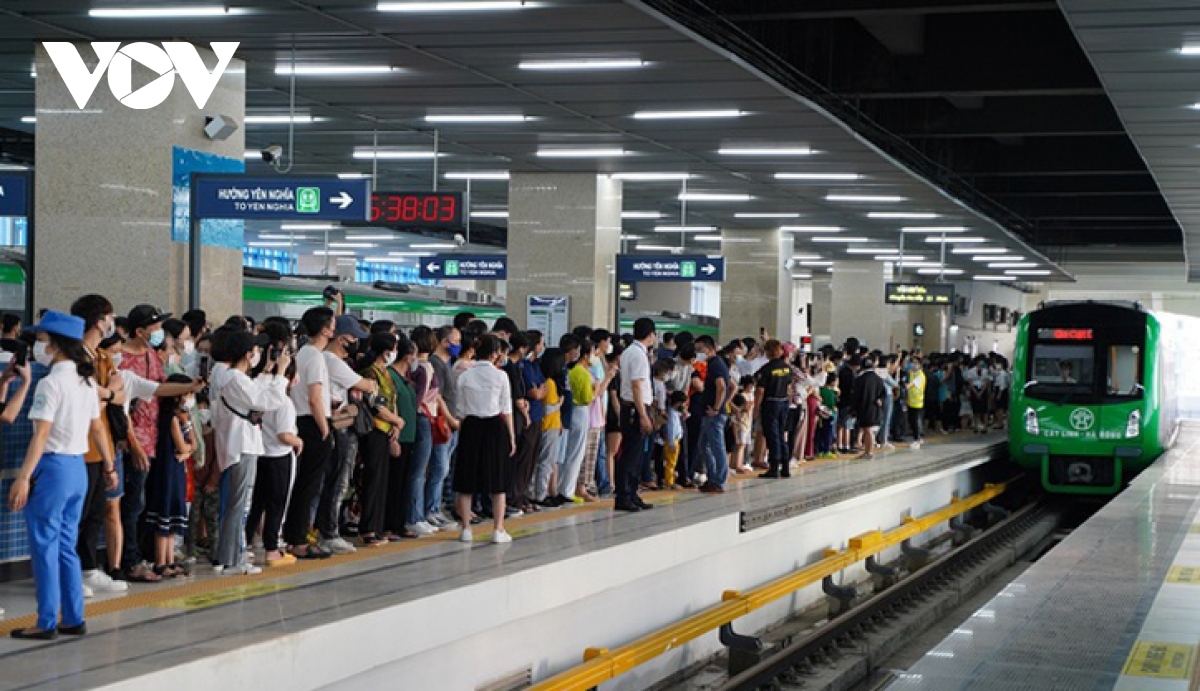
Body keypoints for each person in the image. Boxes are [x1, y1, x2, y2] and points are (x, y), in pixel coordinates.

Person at [7, 311, 112, 640]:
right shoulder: (87, 381)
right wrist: (109, 465)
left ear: (55, 344)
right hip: (78, 470)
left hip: (52, 470)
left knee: (43, 547)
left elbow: (40, 436)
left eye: (41, 340)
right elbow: (97, 428)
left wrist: (23, 478)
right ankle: (73, 616)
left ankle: (46, 620)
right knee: (67, 547)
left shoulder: (50, 383)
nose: (39, 346)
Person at [212, 329, 291, 575]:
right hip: (242, 446)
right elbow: (266, 401)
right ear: (248, 354)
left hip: (239, 444)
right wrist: (280, 374)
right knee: (240, 504)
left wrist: (268, 372)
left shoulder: (234, 378)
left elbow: (257, 392)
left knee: (238, 504)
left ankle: (228, 556)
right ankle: (233, 559)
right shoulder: (235, 378)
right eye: (256, 351)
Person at [117, 304, 170, 583]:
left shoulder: (151, 354)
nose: (160, 332)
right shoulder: (121, 361)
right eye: (156, 327)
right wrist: (133, 443)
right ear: (139, 331)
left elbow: (162, 386)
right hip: (131, 442)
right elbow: (120, 408)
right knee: (132, 504)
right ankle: (130, 561)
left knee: (144, 501)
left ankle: (142, 555)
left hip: (153, 440)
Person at [318, 315, 375, 553]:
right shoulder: (332, 361)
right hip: (340, 427)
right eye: (352, 337)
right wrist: (369, 384)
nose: (355, 342)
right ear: (342, 338)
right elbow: (366, 385)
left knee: (335, 480)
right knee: (339, 480)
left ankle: (327, 529)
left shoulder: (327, 359)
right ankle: (329, 532)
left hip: (336, 424)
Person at [453, 335, 516, 544]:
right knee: (498, 480)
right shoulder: (501, 377)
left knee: (467, 479)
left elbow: (460, 411)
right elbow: (506, 410)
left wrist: (463, 433)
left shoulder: (465, 377)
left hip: (470, 426)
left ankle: (466, 529)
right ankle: (498, 529)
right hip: (494, 427)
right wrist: (512, 437)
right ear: (493, 353)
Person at [285, 307, 336, 560]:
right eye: (332, 323)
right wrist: (325, 429)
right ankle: (298, 540)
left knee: (302, 484)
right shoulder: (315, 356)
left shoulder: (302, 353)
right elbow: (315, 398)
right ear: (325, 329)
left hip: (299, 421)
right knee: (309, 485)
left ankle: (294, 535)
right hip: (314, 423)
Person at [357, 333, 407, 546]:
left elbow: (392, 400)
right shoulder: (370, 373)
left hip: (386, 430)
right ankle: (368, 529)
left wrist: (395, 425)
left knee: (382, 481)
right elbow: (375, 404)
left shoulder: (385, 372)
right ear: (386, 351)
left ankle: (377, 527)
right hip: (373, 431)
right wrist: (397, 420)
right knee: (373, 479)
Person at [144, 373, 194, 578]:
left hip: (173, 471)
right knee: (164, 516)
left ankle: (169, 560)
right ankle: (161, 561)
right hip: (169, 472)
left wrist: (188, 449)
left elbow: (192, 447)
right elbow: (185, 445)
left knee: (171, 517)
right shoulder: (172, 419)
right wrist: (188, 445)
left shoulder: (176, 417)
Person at [615, 318, 656, 512]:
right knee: (631, 455)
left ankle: (631, 493)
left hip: (631, 406)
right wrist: (643, 415)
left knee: (636, 454)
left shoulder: (630, 352)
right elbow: (636, 385)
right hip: (635, 408)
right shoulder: (638, 355)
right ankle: (624, 495)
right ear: (651, 335)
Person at [426, 326, 461, 527]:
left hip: (450, 424)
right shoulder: (436, 364)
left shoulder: (446, 363)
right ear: (445, 342)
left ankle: (435, 508)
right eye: (456, 340)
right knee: (439, 467)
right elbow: (437, 396)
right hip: (442, 423)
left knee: (443, 468)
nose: (458, 345)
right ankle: (431, 509)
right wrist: (450, 418)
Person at [696, 336, 731, 494]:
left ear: (709, 349)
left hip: (714, 414)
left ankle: (719, 480)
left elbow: (722, 387)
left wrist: (717, 408)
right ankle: (712, 478)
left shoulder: (716, 364)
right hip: (711, 412)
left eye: (700, 349)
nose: (698, 353)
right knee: (705, 446)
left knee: (716, 447)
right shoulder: (715, 363)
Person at [754, 339, 792, 478]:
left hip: (770, 404)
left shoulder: (766, 369)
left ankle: (774, 467)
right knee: (782, 434)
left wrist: (756, 408)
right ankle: (786, 467)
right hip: (783, 402)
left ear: (768, 352)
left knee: (772, 435)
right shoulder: (787, 368)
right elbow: (788, 386)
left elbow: (760, 391)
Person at [532, 348, 565, 506]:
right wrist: (560, 403)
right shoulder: (550, 383)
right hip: (549, 425)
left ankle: (537, 491)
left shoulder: (545, 380)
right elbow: (548, 408)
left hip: (550, 425)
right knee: (546, 461)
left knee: (543, 461)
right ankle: (540, 494)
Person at [852, 357, 886, 460]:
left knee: (868, 430)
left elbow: (856, 396)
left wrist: (854, 409)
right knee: (868, 430)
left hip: (864, 408)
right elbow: (883, 393)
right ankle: (867, 451)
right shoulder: (878, 379)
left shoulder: (860, 379)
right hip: (874, 408)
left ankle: (869, 452)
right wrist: (879, 400)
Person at [662, 391, 686, 490]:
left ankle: (670, 479)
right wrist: (671, 442)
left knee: (673, 461)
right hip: (672, 441)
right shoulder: (671, 414)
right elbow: (671, 429)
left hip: (676, 440)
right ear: (678, 403)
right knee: (671, 462)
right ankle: (669, 482)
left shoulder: (675, 413)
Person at [906, 356, 927, 449]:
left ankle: (917, 439)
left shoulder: (920, 375)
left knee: (915, 421)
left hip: (917, 402)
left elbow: (910, 385)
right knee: (912, 421)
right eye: (912, 362)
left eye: (915, 363)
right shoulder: (913, 373)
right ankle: (918, 438)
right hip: (911, 401)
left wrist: (905, 385)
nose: (913, 365)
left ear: (920, 364)